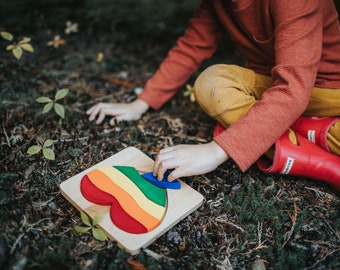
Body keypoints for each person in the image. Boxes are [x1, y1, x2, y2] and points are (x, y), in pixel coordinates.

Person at [87, 0, 340, 191]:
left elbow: (294, 88)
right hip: (272, 87)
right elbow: (193, 45)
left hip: (329, 91)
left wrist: (216, 150)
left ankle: (297, 131)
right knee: (212, 83)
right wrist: (142, 102)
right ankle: (309, 136)